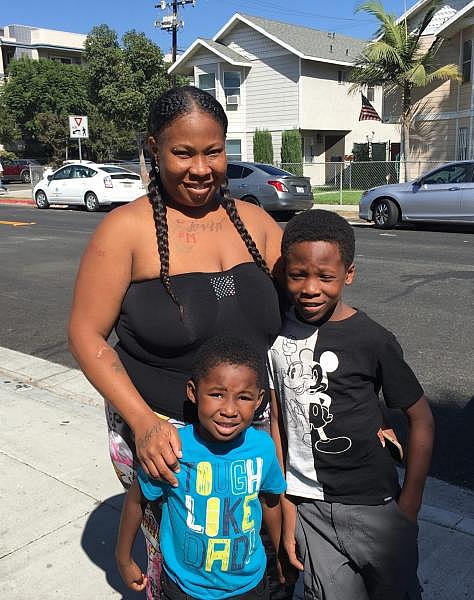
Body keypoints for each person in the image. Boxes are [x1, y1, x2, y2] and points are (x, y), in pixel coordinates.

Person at [68, 86, 283, 597]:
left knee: (248, 552)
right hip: (163, 436)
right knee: (182, 565)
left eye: (213, 151)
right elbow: (85, 333)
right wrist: (143, 424)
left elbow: (311, 308)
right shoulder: (124, 231)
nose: (201, 168)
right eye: (183, 152)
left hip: (250, 428)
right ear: (154, 149)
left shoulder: (257, 223)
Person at [268, 209, 435, 600]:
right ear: (284, 272)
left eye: (325, 277)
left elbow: (422, 419)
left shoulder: (372, 339)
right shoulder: (274, 335)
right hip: (309, 508)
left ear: (349, 274)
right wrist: (287, 501)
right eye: (298, 275)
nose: (311, 288)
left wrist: (408, 507)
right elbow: (277, 419)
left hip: (374, 507)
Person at [115, 335, 286, 599]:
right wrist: (123, 558)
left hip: (249, 586)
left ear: (259, 399)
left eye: (243, 397)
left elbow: (270, 502)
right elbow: (137, 500)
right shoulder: (173, 448)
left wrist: (281, 553)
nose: (229, 409)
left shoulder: (262, 447)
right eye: (217, 394)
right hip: (185, 588)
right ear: (193, 392)